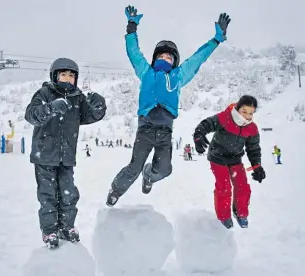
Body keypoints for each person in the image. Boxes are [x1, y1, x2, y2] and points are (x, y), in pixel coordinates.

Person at [106, 5, 231, 206]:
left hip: (165, 131)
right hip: (145, 128)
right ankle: (116, 190)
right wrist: (131, 28)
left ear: (174, 62)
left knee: (164, 169)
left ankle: (150, 175)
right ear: (155, 59)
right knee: (134, 167)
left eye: (169, 57)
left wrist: (216, 40)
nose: (164, 59)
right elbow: (134, 52)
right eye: (161, 56)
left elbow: (197, 58)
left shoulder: (178, 76)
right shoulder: (146, 72)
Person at [24, 57, 107, 248]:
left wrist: (99, 107)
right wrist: (50, 108)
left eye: (71, 75)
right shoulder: (45, 93)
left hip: (67, 157)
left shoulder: (78, 98)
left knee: (69, 194)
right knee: (48, 195)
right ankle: (50, 231)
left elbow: (89, 116)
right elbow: (31, 114)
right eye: (63, 74)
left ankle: (67, 226)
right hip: (44, 155)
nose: (68, 78)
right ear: (55, 76)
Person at [192, 95, 265, 229]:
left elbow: (253, 148)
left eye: (251, 113)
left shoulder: (252, 128)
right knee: (224, 187)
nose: (247, 116)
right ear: (237, 108)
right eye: (244, 111)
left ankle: (240, 213)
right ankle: (224, 217)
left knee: (243, 187)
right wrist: (198, 135)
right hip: (217, 157)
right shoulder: (225, 118)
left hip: (235, 159)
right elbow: (206, 124)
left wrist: (257, 166)